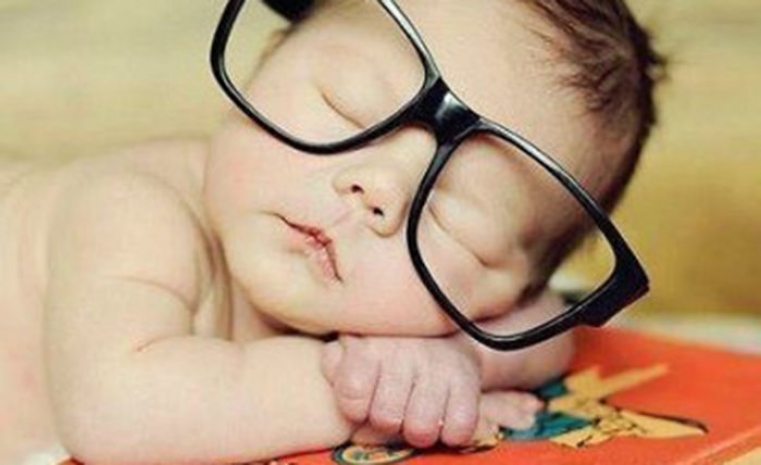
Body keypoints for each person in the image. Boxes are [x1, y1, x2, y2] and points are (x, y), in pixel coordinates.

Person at [0, 0, 663, 463]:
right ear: (268, 59)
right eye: (345, 105)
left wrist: (459, 362)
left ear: (496, 297)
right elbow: (116, 411)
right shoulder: (133, 209)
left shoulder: (445, 306)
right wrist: (367, 393)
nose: (377, 187)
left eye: (453, 219)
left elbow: (552, 329)